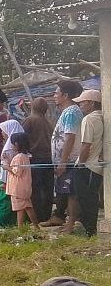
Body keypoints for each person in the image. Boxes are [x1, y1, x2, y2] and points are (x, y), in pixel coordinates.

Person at [45, 80, 85, 230]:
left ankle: (71, 223)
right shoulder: (67, 112)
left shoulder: (71, 112)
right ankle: (62, 219)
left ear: (66, 95)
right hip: (65, 160)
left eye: (57, 93)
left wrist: (63, 161)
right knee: (65, 190)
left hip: (70, 160)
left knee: (71, 192)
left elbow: (70, 137)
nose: (54, 96)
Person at [73, 89, 104, 237]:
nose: (80, 105)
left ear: (91, 103)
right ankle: (90, 230)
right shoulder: (102, 116)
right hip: (97, 165)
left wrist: (81, 163)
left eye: (82, 102)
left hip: (88, 166)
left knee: (85, 199)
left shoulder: (89, 119)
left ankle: (89, 230)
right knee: (91, 198)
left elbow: (86, 144)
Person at [22, 98, 55, 223]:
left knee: (35, 189)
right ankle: (46, 215)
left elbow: (22, 138)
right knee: (47, 188)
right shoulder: (48, 122)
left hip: (34, 159)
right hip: (48, 159)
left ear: (33, 107)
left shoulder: (29, 120)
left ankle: (36, 216)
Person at [0, 114, 25, 229]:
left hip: (6, 179)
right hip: (12, 179)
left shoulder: (9, 148)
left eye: (4, 131)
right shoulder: (15, 148)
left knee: (3, 201)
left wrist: (5, 181)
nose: (2, 133)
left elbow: (8, 166)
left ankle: (0, 224)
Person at [4, 131, 37, 230]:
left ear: (16, 144)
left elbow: (17, 171)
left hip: (17, 188)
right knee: (27, 207)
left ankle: (20, 228)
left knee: (20, 209)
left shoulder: (19, 157)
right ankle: (35, 226)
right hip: (24, 187)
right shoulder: (24, 156)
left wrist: (6, 167)